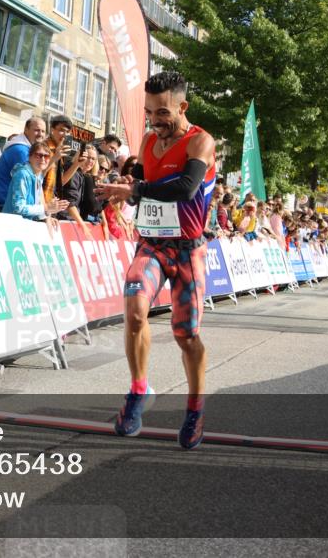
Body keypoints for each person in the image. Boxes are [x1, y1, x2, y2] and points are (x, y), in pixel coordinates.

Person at [95, 71, 217, 450]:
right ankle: (138, 390)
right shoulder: (148, 142)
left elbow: (185, 188)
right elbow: (146, 195)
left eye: (162, 111)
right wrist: (126, 196)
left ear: (182, 107)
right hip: (151, 244)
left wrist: (134, 188)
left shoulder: (201, 141)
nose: (155, 120)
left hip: (187, 249)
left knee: (186, 334)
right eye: (150, 112)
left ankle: (195, 409)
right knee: (134, 311)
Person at [0, 116, 47, 212]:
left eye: (43, 131)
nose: (40, 134)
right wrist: (45, 212)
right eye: (37, 130)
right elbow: (34, 184)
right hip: (4, 207)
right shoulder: (21, 151)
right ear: (26, 130)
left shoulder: (26, 149)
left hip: (7, 206)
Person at [3, 140, 68, 221]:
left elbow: (36, 206)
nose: (43, 159)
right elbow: (18, 208)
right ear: (29, 157)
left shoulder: (38, 177)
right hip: (11, 226)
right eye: (38, 155)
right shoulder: (22, 174)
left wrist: (46, 217)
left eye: (47, 156)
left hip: (24, 226)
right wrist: (46, 207)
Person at [43, 115, 78, 206]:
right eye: (61, 130)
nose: (64, 135)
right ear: (52, 130)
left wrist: (77, 164)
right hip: (40, 204)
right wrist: (54, 158)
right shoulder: (43, 147)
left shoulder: (59, 150)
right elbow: (36, 176)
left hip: (51, 205)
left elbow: (60, 182)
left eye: (67, 132)